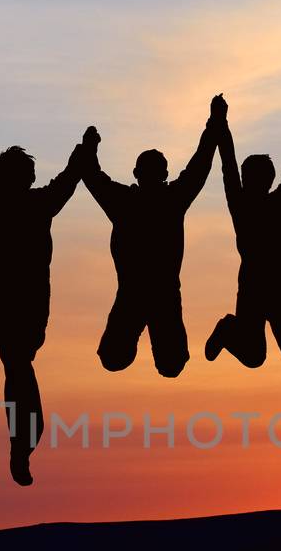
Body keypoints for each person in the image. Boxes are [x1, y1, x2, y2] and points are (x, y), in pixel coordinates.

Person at [0, 115, 91, 485]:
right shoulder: (4, 200)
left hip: (33, 299)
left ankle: (24, 439)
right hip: (6, 297)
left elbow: (68, 180)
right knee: (17, 362)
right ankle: (23, 441)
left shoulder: (37, 203)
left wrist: (85, 150)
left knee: (19, 363)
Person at [81, 96, 225, 378]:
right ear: (163, 174)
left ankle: (146, 347)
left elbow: (92, 176)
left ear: (137, 173)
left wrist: (90, 147)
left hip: (156, 294)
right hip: (140, 293)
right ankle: (139, 346)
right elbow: (200, 165)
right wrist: (215, 123)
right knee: (117, 360)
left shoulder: (133, 200)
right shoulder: (160, 199)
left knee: (166, 365)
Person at [203, 111, 281, 370]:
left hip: (277, 287)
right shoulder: (241, 203)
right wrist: (222, 126)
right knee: (254, 357)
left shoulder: (274, 202)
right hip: (254, 287)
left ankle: (230, 328)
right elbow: (228, 164)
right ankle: (227, 328)